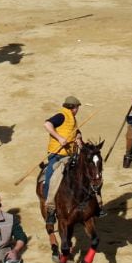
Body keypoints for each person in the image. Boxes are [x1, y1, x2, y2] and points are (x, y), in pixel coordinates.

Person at [42, 95, 83, 224]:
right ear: (73, 107)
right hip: (57, 155)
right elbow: (47, 124)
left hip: (69, 155)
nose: (78, 110)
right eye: (77, 107)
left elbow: (76, 132)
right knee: (50, 179)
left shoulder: (73, 119)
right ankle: (50, 210)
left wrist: (79, 138)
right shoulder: (62, 116)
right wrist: (59, 138)